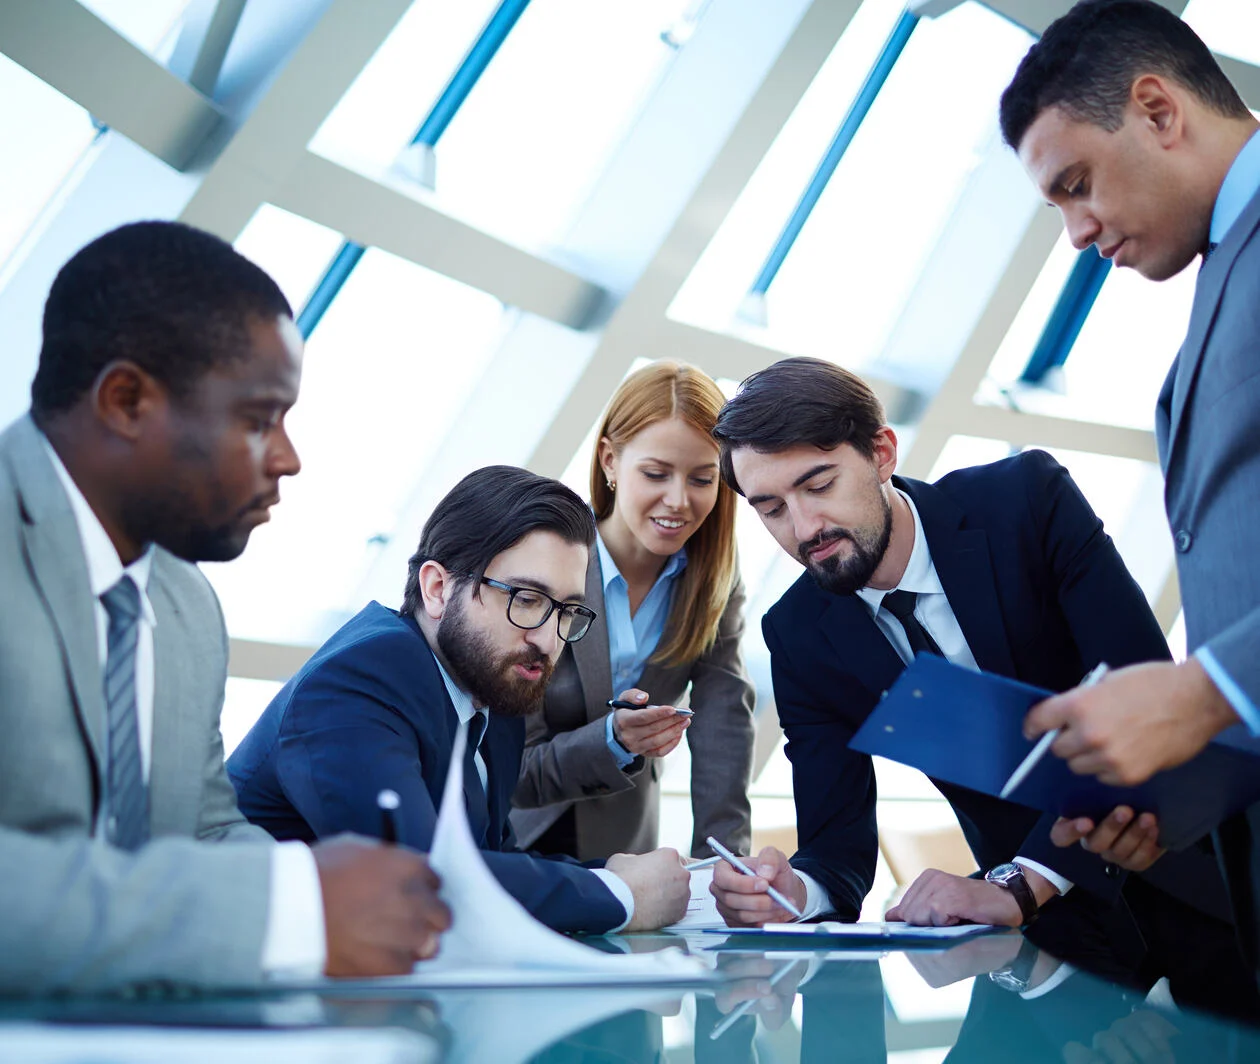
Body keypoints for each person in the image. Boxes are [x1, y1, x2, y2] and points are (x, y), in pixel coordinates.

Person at [706, 356, 1256, 1013]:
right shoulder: (799, 634)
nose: (803, 529)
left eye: (819, 485)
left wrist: (1023, 883)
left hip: (1204, 885)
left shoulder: (1026, 501)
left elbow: (1144, 704)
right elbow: (836, 850)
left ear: (882, 452)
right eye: (771, 509)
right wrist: (796, 892)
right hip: (1044, 957)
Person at [0, 221, 450, 993]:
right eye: (256, 419)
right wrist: (291, 909)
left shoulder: (185, 608)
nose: (288, 458)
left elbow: (203, 828)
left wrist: (346, 901)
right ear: (126, 399)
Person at [997, 0, 1260, 978]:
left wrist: (1209, 689)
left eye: (1076, 184)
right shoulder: (1227, 263)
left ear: (1157, 109)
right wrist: (1193, 778)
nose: (1073, 231)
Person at [229, 465, 691, 934]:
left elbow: (489, 861)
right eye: (528, 599)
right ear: (437, 588)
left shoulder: (490, 693)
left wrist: (616, 874)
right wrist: (620, 894)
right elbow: (419, 878)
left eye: (566, 611)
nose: (550, 641)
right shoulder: (357, 681)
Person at [510, 361, 756, 861]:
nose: (679, 501)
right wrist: (612, 740)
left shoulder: (713, 585)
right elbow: (510, 765)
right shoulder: (545, 567)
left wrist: (725, 866)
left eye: (702, 479)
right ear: (609, 462)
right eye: (656, 473)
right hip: (512, 836)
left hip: (622, 848)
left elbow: (723, 729)